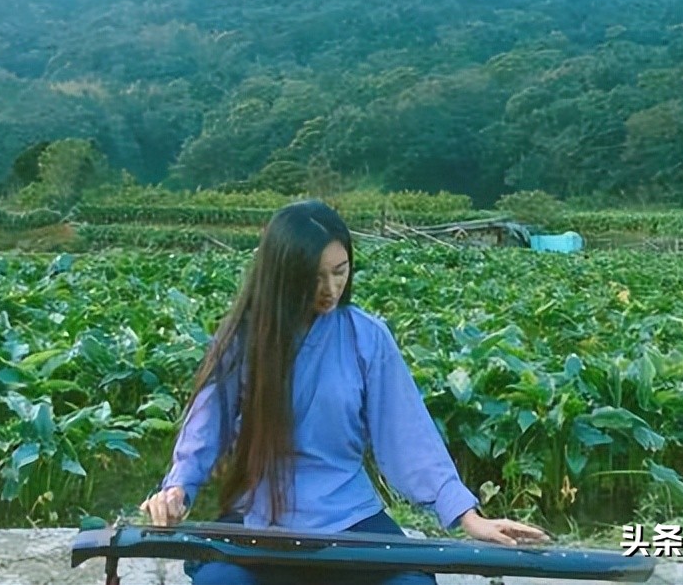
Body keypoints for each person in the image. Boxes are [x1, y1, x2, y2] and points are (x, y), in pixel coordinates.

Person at [141, 199, 548, 585]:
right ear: (283, 275)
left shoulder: (367, 338)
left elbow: (408, 437)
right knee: (217, 580)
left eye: (340, 271)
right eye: (314, 277)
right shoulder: (245, 340)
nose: (331, 288)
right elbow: (204, 431)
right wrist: (177, 490)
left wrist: (466, 515)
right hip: (262, 516)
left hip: (348, 514)